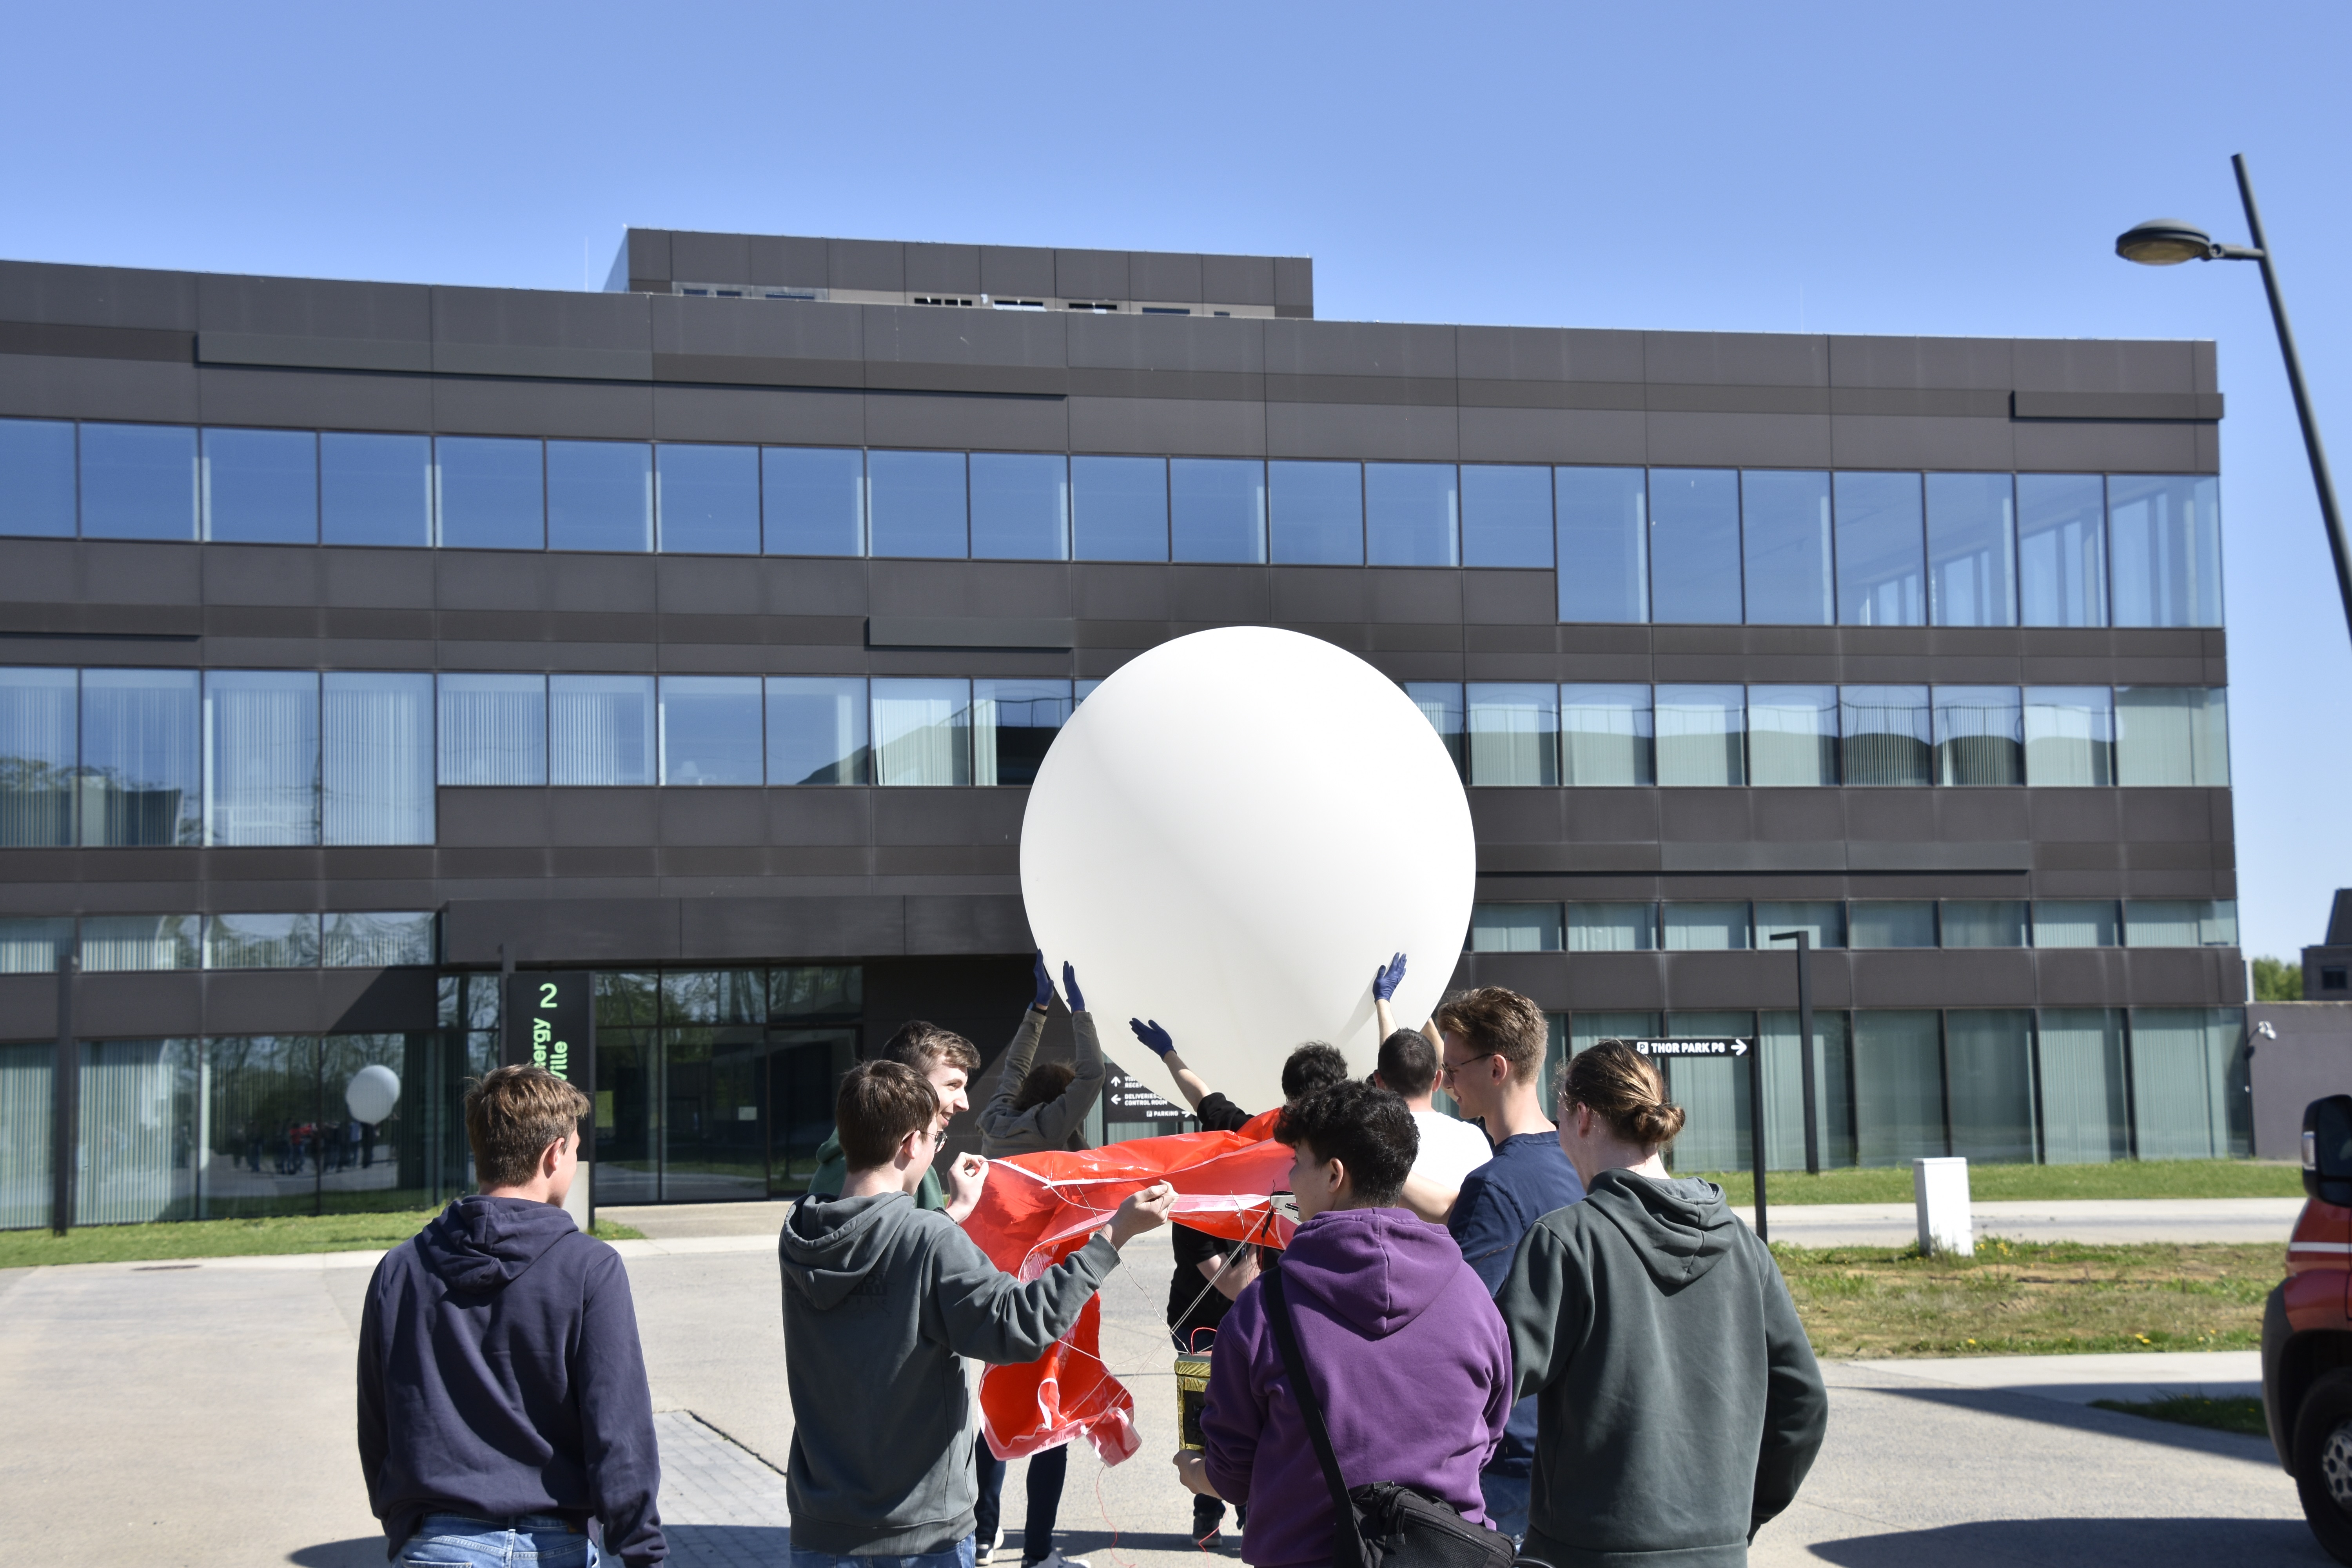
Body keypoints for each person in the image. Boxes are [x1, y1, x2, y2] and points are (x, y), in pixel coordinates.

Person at [780, 1060, 1175, 1568]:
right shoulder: (927, 1239)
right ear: (909, 1145)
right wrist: (1112, 1236)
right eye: (935, 1139)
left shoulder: (801, 1235)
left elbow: (881, 1260)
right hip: (919, 1535)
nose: (935, 1149)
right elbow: (1020, 1327)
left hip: (819, 1530)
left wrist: (955, 1215)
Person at [1495, 1040, 1828, 1565]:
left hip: (1585, 1553)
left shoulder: (1568, 1241)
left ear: (1582, 1119)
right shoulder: (1745, 1248)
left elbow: (1489, 1383)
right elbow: (1803, 1405)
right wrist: (1740, 1518)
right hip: (1718, 1552)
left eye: (1558, 1121)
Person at [1173, 1080, 1512, 1568]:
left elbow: (1232, 1474)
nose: (1288, 1179)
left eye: (1296, 1162)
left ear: (1335, 1174)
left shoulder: (1262, 1308)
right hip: (1443, 1554)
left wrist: (1195, 1472)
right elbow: (1488, 1435)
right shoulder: (1472, 1294)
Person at [357, 1065, 664, 1567]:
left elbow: (378, 1422)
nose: (576, 1159)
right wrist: (643, 1552)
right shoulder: (592, 1268)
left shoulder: (400, 1269)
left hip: (435, 1543)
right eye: (576, 1149)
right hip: (555, 1547)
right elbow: (619, 1431)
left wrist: (405, 1519)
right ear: (553, 1154)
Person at [1130, 1024, 1354, 1550]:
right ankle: (1208, 1507)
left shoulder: (1320, 1154)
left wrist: (1168, 1051)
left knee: (1263, 1413)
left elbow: (1201, 1093)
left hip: (1273, 1306)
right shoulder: (1250, 1141)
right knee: (1208, 1411)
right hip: (1206, 1310)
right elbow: (1205, 1100)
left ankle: (1255, 1511)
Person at [1430, 986, 1585, 1545]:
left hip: (1511, 1457)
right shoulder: (1580, 1161)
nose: (1446, 1083)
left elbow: (1456, 1333)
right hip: (1574, 1442)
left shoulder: (1495, 1187)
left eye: (1453, 1069)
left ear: (1496, 1068)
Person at [976, 955, 1109, 1568]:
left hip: (995, 1284)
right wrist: (1080, 1011)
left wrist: (1038, 1008)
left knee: (999, 1403)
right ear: (1061, 1107)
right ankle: (1036, 1554)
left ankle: (982, 1533)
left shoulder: (998, 1122)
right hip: (1048, 1291)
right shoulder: (1053, 1130)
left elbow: (1013, 1072)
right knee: (1050, 1413)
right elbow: (1093, 1076)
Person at [807, 1020, 985, 1219]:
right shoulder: (868, 1167)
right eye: (952, 1085)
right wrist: (958, 1210)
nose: (965, 1104)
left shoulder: (881, 1158)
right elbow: (883, 1245)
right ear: (909, 1083)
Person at [1368, 952, 1492, 1194]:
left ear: (1379, 1081)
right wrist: (1423, 1011)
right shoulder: (1473, 1140)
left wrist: (1383, 1001)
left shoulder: (1370, 1139)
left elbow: (1395, 1059)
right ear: (1438, 1080)